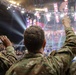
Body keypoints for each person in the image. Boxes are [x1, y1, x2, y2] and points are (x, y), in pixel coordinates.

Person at [6, 16, 76, 75]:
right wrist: (67, 26)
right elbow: (72, 43)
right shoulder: (52, 65)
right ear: (44, 43)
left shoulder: (12, 70)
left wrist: (9, 47)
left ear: (24, 43)